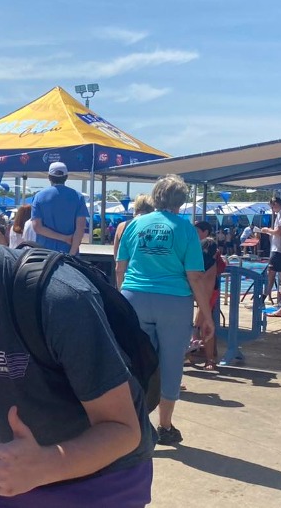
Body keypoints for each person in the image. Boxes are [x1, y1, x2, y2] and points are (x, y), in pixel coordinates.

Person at [0, 165, 154, 506]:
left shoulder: (58, 299)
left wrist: (46, 465)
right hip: (8, 465)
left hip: (104, 474)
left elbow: (124, 430)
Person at [116, 174, 213, 446]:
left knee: (137, 362)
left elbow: (120, 269)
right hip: (174, 302)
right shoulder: (186, 229)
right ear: (181, 201)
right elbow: (195, 276)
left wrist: (122, 302)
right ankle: (165, 426)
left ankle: (136, 423)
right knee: (171, 363)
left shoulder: (134, 225)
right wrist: (205, 315)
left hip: (135, 297)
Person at [31, 162, 88, 255]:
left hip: (44, 254)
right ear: (66, 177)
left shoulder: (39, 196)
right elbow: (80, 228)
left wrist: (64, 238)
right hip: (69, 252)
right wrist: (71, 254)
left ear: (49, 177)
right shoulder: (78, 197)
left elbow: (37, 227)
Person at [193, 221, 227, 370]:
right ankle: (207, 356)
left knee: (204, 323)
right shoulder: (199, 247)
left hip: (208, 289)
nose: (194, 233)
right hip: (205, 288)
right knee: (204, 323)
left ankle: (209, 358)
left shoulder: (209, 246)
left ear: (205, 232)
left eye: (197, 231)